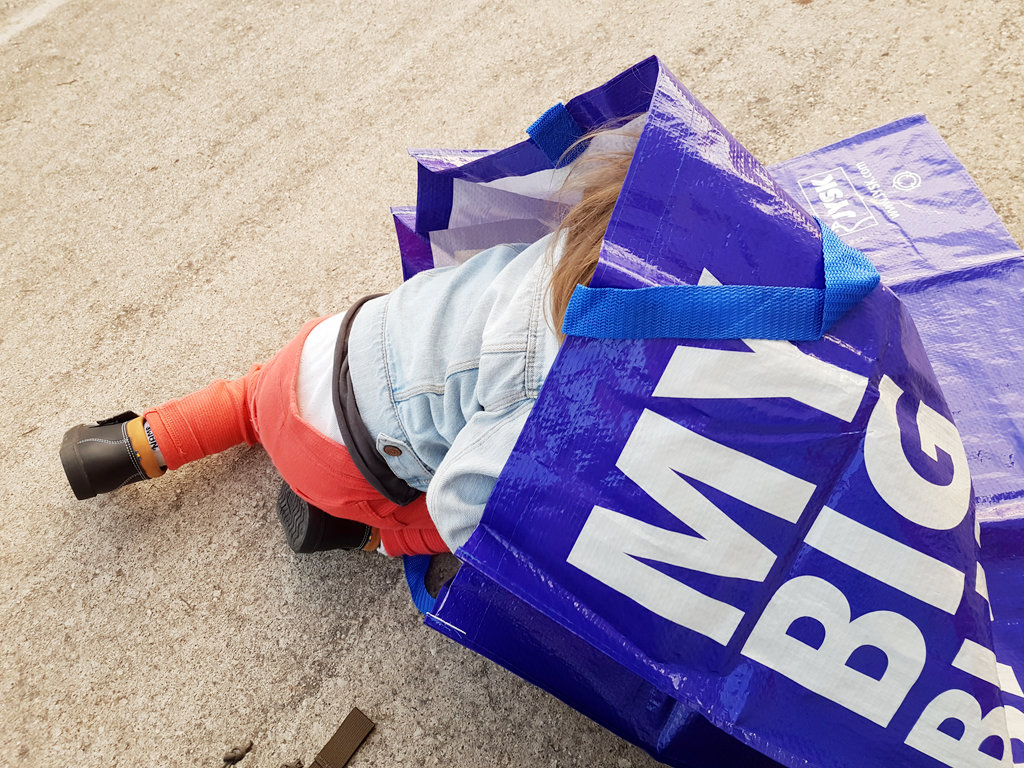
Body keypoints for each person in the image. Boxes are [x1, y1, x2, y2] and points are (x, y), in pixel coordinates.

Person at [59, 125, 638, 559]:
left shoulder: (579, 239)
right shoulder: (561, 386)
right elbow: (460, 509)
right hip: (345, 467)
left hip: (324, 347)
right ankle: (365, 535)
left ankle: (130, 445)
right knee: (466, 509)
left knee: (249, 397)